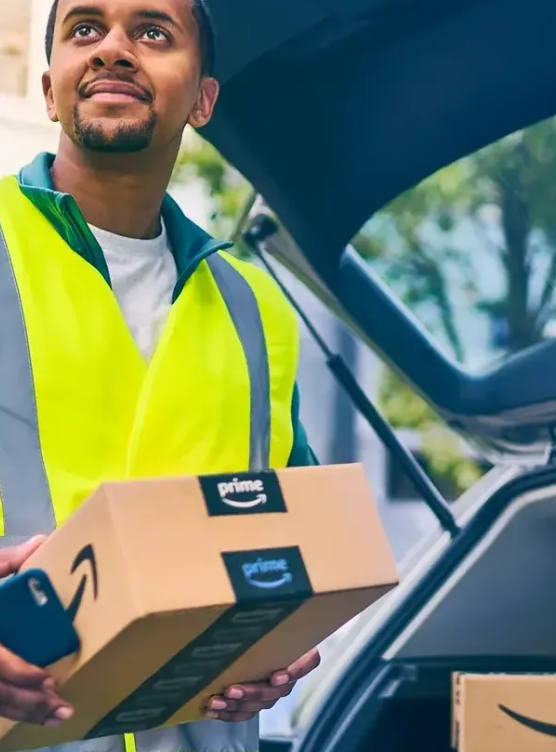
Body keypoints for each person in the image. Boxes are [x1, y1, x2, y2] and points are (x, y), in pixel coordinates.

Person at [0, 0, 321, 749]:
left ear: (203, 99)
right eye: (85, 30)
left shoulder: (256, 308)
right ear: (50, 88)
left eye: (151, 32)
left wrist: (282, 642)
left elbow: (293, 537)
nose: (113, 49)